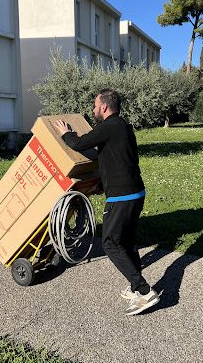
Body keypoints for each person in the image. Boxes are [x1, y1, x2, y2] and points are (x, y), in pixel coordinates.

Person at [55, 89, 159, 316]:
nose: (93, 110)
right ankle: (135, 287)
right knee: (127, 242)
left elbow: (80, 143)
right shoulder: (122, 127)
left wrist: (66, 134)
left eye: (94, 106)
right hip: (135, 193)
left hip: (121, 196)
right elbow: (101, 156)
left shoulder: (109, 126)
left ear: (104, 107)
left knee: (111, 243)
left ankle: (144, 291)